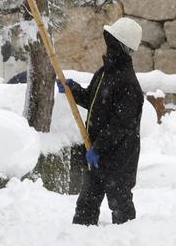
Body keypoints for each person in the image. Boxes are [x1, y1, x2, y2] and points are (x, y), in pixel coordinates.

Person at [57, 17, 144, 226]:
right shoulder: (105, 73)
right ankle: (78, 238)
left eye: (113, 42)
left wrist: (98, 147)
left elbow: (120, 125)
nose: (109, 46)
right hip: (96, 154)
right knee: (86, 204)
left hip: (119, 159)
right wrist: (73, 90)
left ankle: (128, 240)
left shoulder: (129, 83)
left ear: (122, 47)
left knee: (121, 209)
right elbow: (93, 101)